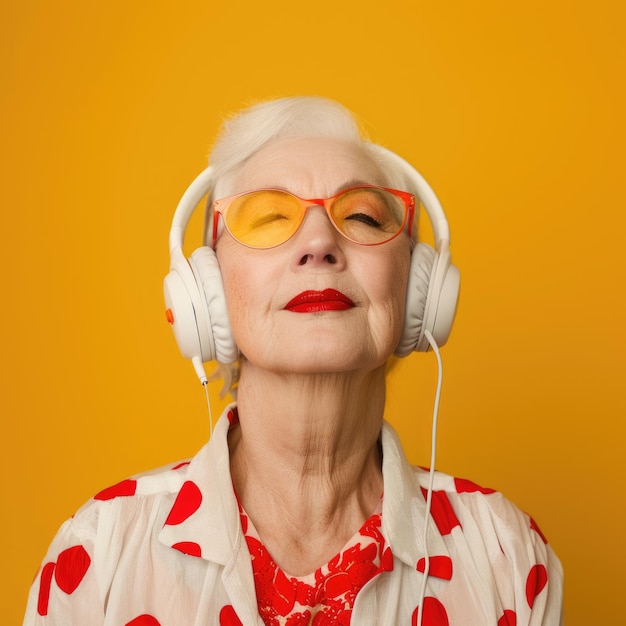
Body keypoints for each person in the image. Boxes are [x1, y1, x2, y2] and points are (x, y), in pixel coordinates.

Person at [24, 97, 563, 625]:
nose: (319, 243)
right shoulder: (98, 557)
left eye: (360, 215)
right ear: (205, 289)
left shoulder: (507, 556)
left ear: (419, 290)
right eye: (268, 219)